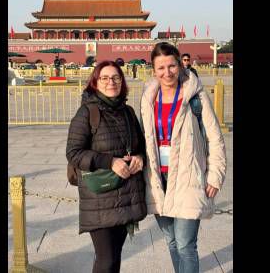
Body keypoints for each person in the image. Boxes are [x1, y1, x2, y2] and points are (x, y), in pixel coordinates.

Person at [140, 42, 226, 273]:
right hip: (159, 181)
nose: (167, 73)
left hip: (189, 177)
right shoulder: (148, 100)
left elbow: (216, 138)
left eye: (171, 66)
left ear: (180, 64)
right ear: (153, 70)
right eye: (161, 68)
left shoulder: (195, 96)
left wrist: (214, 176)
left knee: (186, 245)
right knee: (172, 242)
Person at [66, 60, 147, 273]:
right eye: (105, 78)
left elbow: (140, 145)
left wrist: (140, 157)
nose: (111, 82)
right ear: (95, 82)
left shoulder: (128, 112)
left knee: (115, 257)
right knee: (106, 259)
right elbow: (73, 153)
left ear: (122, 81)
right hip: (100, 198)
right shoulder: (87, 112)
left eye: (116, 77)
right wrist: (110, 162)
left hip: (125, 194)